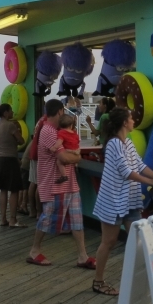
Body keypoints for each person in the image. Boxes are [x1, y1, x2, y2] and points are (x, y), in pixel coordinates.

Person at [92, 108, 153, 296]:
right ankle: (98, 281)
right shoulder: (114, 144)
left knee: (140, 240)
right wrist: (151, 182)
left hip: (130, 200)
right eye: (131, 118)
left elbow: (139, 165)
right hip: (113, 201)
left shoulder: (128, 143)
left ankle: (143, 280)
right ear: (125, 122)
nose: (133, 121)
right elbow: (126, 171)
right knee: (108, 241)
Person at [27, 99, 94, 269]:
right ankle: (34, 251)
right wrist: (78, 157)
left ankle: (82, 256)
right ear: (59, 112)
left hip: (69, 184)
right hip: (54, 185)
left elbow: (65, 155)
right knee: (47, 218)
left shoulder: (55, 131)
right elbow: (63, 158)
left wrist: (72, 156)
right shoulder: (49, 131)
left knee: (77, 220)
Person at [0, 103, 25, 228]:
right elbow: (21, 140)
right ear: (5, 112)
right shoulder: (11, 125)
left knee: (3, 189)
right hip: (10, 159)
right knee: (14, 190)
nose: (12, 113)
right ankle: (13, 219)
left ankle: (3, 219)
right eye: (10, 111)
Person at [53, 114, 81, 185]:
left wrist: (54, 147)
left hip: (68, 150)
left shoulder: (61, 132)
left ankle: (64, 175)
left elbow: (59, 142)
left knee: (59, 162)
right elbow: (78, 141)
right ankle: (76, 166)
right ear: (71, 125)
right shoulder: (74, 133)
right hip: (76, 151)